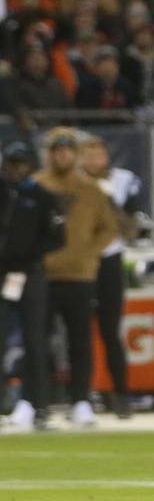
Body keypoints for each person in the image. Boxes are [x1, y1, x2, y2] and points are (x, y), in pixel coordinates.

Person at [34, 127, 117, 426]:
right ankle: (36, 401)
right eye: (57, 150)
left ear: (76, 154)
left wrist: (88, 253)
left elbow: (109, 228)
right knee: (37, 341)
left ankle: (81, 399)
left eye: (68, 150)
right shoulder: (35, 185)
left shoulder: (91, 189)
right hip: (42, 274)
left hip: (80, 275)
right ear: (49, 154)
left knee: (80, 341)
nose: (63, 155)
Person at [1, 142, 65, 431]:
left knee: (35, 340)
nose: (15, 169)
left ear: (30, 165)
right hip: (3, 274)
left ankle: (38, 405)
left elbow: (58, 237)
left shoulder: (43, 197)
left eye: (21, 163)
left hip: (30, 273)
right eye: (11, 163)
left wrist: (28, 253)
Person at [81, 134, 143, 419]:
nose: (94, 159)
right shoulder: (72, 182)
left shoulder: (123, 180)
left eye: (98, 153)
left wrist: (106, 203)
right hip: (79, 261)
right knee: (76, 331)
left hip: (109, 259)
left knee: (111, 330)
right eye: (88, 153)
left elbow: (130, 229)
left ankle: (121, 395)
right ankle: (80, 397)